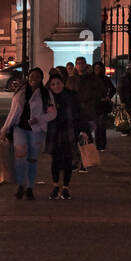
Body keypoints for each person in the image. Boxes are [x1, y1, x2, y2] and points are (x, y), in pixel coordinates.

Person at [0, 66, 55, 200]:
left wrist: (39, 119)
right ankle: (21, 185)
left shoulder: (46, 94)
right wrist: (5, 128)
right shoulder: (20, 92)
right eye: (31, 76)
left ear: (41, 79)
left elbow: (53, 114)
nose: (33, 79)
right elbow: (12, 112)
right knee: (20, 159)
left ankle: (30, 187)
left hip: (37, 131)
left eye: (37, 76)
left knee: (32, 160)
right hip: (20, 129)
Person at [45, 68, 85, 199]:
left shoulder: (71, 96)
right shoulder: (47, 98)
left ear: (63, 83)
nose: (56, 86)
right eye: (53, 84)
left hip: (69, 132)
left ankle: (66, 188)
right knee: (55, 161)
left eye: (58, 83)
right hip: (53, 133)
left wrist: (83, 130)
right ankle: (56, 186)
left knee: (68, 161)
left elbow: (79, 114)